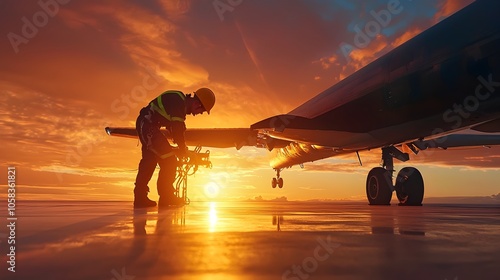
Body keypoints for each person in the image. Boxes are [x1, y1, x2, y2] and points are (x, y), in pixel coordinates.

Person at [134, 88, 215, 208]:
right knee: (170, 161)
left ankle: (141, 198)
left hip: (146, 125)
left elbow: (174, 128)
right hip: (148, 127)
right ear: (197, 104)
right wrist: (183, 150)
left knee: (149, 161)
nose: (198, 114)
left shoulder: (178, 103)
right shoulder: (178, 101)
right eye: (201, 111)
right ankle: (166, 197)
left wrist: (182, 149)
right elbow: (177, 129)